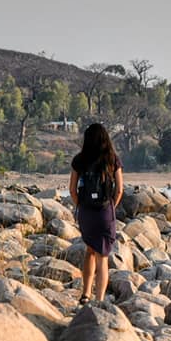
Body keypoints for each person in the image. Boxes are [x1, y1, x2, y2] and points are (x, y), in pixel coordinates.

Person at [69, 123, 123, 305]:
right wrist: (111, 208)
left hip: (86, 214)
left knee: (90, 251)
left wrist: (82, 207)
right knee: (103, 257)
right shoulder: (112, 159)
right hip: (105, 212)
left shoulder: (80, 159)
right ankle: (99, 300)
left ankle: (85, 295)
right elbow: (120, 190)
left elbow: (72, 190)